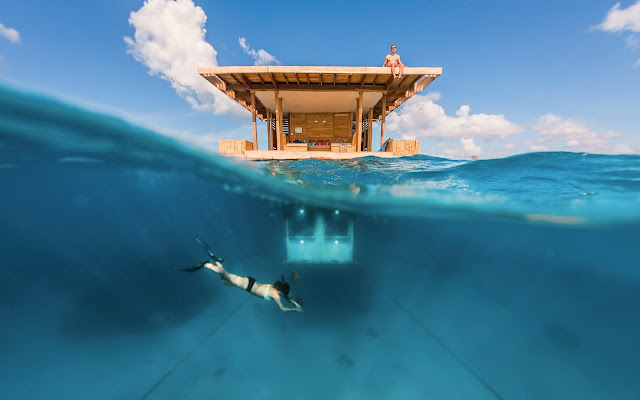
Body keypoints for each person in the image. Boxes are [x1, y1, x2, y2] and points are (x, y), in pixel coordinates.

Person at [178, 237, 303, 313]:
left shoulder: (276, 288)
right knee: (225, 275)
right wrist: (295, 309)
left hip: (250, 283)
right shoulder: (276, 295)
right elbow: (282, 309)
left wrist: (295, 303)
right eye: (282, 293)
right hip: (247, 285)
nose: (282, 295)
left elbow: (287, 297)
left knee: (225, 282)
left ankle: (217, 261)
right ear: (280, 291)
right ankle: (207, 265)